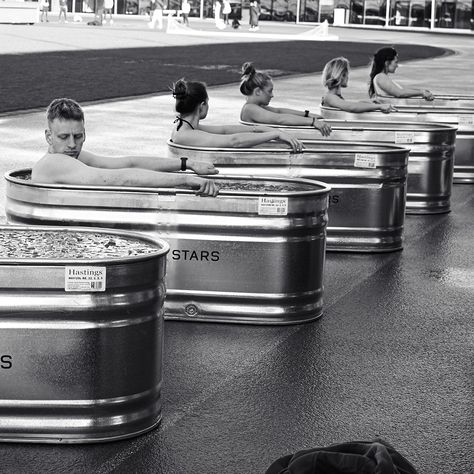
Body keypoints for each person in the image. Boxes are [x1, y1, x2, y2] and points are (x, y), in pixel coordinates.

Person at [32, 98, 219, 197]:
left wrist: (187, 163)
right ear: (49, 137)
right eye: (63, 137)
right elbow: (118, 179)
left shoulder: (72, 156)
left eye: (78, 136)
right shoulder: (54, 162)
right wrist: (186, 181)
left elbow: (128, 163)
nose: (72, 144)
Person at [170, 79, 303, 152]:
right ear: (202, 105)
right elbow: (235, 141)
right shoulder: (186, 133)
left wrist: (260, 129)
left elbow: (225, 130)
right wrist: (275, 134)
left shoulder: (185, 127)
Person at [239, 62, 332, 137]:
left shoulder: (256, 106)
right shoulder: (250, 109)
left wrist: (307, 114)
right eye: (269, 91)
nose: (272, 95)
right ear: (258, 91)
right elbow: (280, 119)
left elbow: (279, 111)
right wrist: (313, 122)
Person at [321, 57, 397, 113]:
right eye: (347, 74)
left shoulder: (333, 96)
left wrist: (370, 102)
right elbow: (351, 107)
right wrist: (379, 106)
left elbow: (350, 103)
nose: (348, 77)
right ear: (341, 75)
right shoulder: (330, 97)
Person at [368, 47, 434, 101]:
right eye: (395, 62)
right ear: (387, 63)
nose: (397, 65)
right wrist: (421, 92)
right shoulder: (381, 77)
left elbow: (403, 91)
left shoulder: (382, 77)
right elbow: (399, 93)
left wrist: (422, 91)